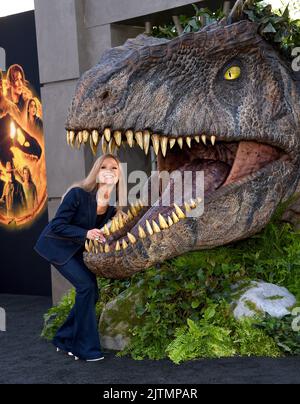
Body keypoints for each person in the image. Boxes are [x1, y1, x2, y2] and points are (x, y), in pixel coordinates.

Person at [34, 154, 127, 362]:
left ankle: (64, 337)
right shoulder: (78, 194)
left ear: (119, 174)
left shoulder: (112, 209)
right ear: (96, 171)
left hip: (76, 250)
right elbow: (57, 225)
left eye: (114, 167)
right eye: (104, 166)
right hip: (56, 246)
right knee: (86, 287)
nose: (109, 170)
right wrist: (86, 233)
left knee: (92, 292)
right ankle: (84, 348)